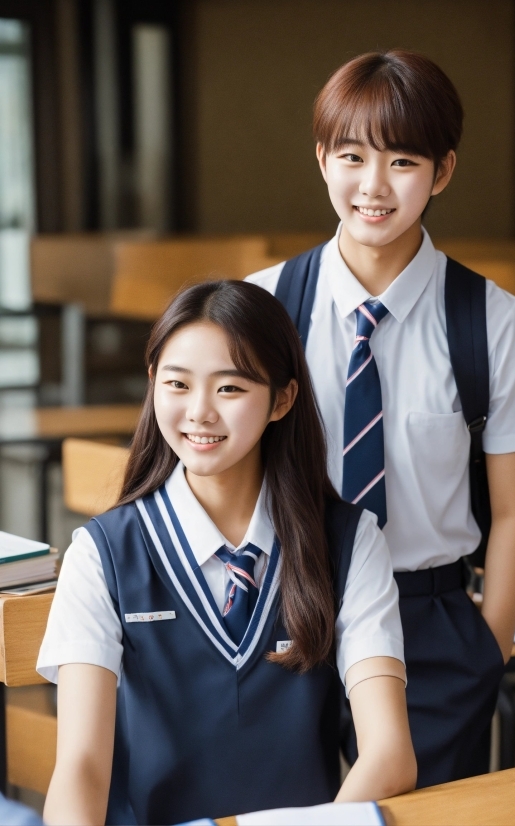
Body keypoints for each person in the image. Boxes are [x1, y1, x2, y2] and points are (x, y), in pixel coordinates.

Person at [247, 49, 515, 787]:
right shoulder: (261, 307)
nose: (374, 186)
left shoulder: (491, 321)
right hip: (289, 607)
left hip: (432, 623)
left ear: (442, 171)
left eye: (402, 162)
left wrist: (490, 647)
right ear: (323, 159)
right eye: (353, 156)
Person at [38, 280, 416, 826]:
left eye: (230, 389)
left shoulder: (350, 541)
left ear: (282, 399)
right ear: (153, 385)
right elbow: (81, 766)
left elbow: (388, 753)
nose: (199, 412)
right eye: (177, 384)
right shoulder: (102, 555)